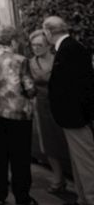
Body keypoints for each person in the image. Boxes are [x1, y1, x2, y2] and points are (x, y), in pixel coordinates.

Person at [0, 24, 37, 205]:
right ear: (12, 39)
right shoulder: (20, 60)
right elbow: (30, 89)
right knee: (20, 156)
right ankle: (22, 196)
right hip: (16, 113)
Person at [44, 16, 94, 205]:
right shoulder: (72, 47)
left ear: (48, 32)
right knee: (78, 160)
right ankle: (82, 198)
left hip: (75, 115)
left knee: (85, 160)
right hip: (74, 115)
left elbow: (76, 86)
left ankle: (90, 198)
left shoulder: (68, 49)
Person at [28, 29, 69, 194]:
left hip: (62, 104)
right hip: (42, 105)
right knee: (49, 142)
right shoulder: (30, 63)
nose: (36, 48)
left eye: (40, 45)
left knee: (65, 140)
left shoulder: (58, 59)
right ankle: (58, 179)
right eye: (33, 45)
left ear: (48, 45)